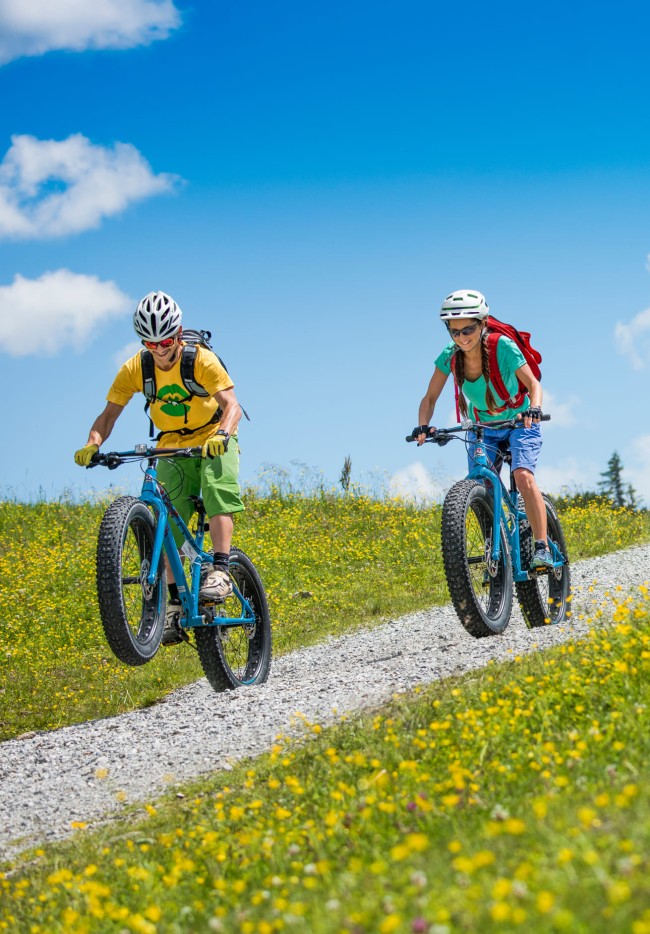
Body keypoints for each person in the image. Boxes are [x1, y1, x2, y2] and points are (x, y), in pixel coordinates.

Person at [74, 290, 244, 643]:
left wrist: (223, 434)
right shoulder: (137, 368)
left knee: (216, 491)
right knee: (165, 520)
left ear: (178, 334)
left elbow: (233, 406)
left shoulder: (201, 361)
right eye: (150, 343)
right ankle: (174, 607)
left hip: (214, 434)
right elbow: (108, 416)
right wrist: (93, 444)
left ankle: (222, 571)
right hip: (171, 441)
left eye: (165, 340)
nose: (160, 349)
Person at [413, 288, 553, 569]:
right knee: (480, 486)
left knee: (523, 476)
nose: (462, 338)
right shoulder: (450, 356)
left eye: (468, 330)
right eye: (455, 332)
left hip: (519, 421)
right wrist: (423, 426)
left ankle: (542, 546)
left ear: (482, 323)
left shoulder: (502, 346)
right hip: (483, 427)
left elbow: (533, 384)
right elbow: (430, 397)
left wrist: (534, 409)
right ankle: (493, 541)